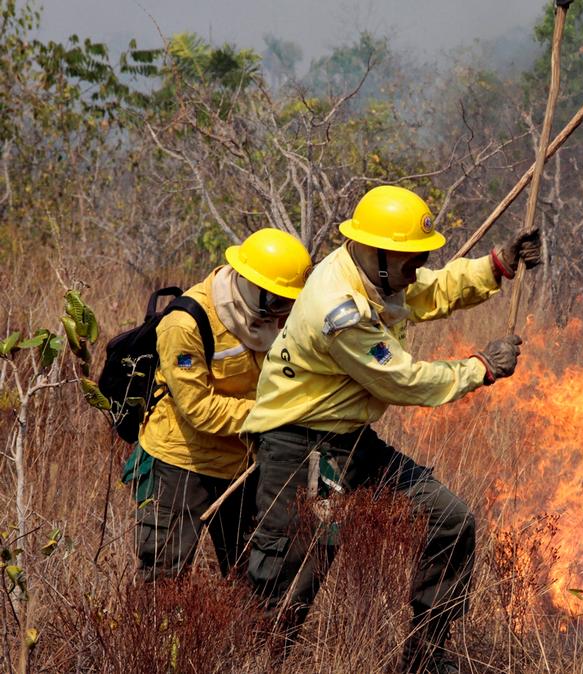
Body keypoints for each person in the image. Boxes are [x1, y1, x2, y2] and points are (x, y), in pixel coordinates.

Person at [242, 185, 539, 671]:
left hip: (350, 442)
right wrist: (479, 368)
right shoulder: (339, 308)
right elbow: (402, 379)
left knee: (450, 519)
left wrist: (497, 266)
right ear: (376, 252)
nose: (416, 269)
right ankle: (253, 662)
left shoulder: (373, 274)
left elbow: (428, 291)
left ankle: (425, 661)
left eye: (419, 258)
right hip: (302, 448)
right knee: (299, 569)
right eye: (408, 261)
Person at [131, 228, 312, 580]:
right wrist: (272, 415)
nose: (284, 312)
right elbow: (197, 407)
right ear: (250, 284)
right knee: (163, 577)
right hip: (181, 464)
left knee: (251, 575)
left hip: (243, 461)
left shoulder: (274, 319)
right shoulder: (185, 324)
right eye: (278, 301)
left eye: (291, 303)